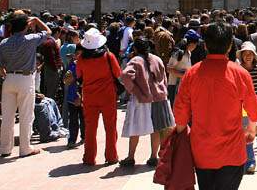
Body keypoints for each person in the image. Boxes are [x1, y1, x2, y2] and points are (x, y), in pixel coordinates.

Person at [174, 22, 257, 189]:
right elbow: (254, 111)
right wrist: (250, 129)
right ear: (229, 46)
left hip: (202, 151)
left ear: (205, 45)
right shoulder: (240, 74)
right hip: (233, 152)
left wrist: (181, 138)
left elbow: (180, 113)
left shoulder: (192, 74)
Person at [0, 14, 50, 157]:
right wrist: (36, 21)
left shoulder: (4, 42)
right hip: (25, 78)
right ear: (26, 26)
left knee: (7, 116)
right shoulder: (30, 40)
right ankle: (25, 148)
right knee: (26, 115)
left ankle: (5, 148)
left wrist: (7, 75)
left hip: (9, 78)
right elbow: (48, 32)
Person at [119, 38, 174, 167]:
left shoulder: (135, 60)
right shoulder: (157, 59)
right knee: (155, 128)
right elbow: (164, 78)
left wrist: (134, 90)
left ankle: (131, 157)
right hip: (159, 98)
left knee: (135, 128)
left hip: (142, 100)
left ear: (135, 49)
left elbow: (125, 75)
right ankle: (153, 156)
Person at [77, 28, 121, 166]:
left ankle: (89, 158)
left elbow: (79, 77)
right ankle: (111, 156)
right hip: (108, 96)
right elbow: (118, 74)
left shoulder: (81, 59)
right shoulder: (109, 56)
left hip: (89, 97)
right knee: (110, 127)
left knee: (90, 128)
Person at [237, 41, 257, 174]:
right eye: (245, 54)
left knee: (249, 133)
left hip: (254, 106)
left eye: (250, 54)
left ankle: (249, 162)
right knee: (247, 133)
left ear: (254, 55)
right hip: (242, 106)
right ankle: (249, 161)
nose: (248, 56)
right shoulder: (238, 70)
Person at [166, 30, 199, 106]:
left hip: (184, 85)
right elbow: (169, 69)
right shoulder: (178, 53)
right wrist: (185, 75)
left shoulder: (189, 53)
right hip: (175, 85)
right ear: (190, 43)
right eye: (195, 45)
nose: (195, 47)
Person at [63, 46, 85, 149]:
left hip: (82, 97)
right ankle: (72, 139)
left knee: (83, 119)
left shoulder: (85, 64)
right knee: (73, 119)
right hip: (73, 97)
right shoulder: (72, 65)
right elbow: (67, 81)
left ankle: (84, 137)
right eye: (77, 54)